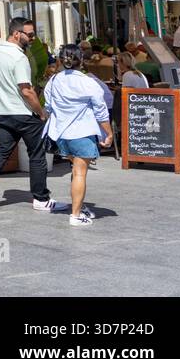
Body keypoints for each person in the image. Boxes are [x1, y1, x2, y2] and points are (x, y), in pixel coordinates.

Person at [0, 17, 53, 213]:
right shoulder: (19, 57)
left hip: (1, 111)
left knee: (1, 151)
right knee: (37, 154)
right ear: (16, 34)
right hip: (22, 112)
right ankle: (41, 198)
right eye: (30, 35)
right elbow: (26, 90)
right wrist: (41, 113)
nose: (33, 39)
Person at [43, 44, 113, 227]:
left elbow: (48, 107)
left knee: (76, 170)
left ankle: (79, 207)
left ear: (60, 60)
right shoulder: (88, 82)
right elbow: (101, 111)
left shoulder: (53, 81)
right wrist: (109, 132)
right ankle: (75, 215)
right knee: (80, 173)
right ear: (81, 61)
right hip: (82, 133)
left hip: (61, 134)